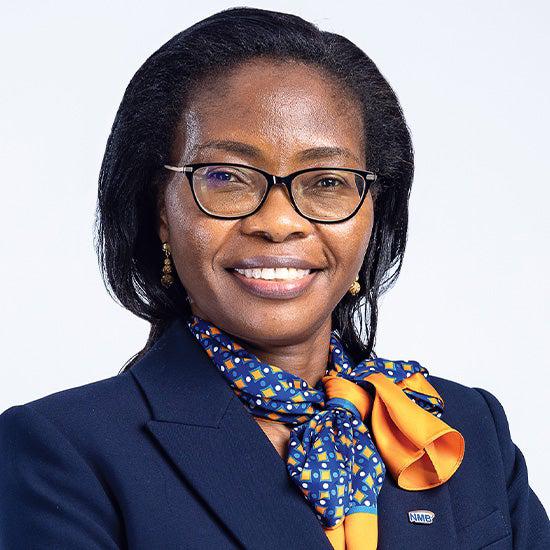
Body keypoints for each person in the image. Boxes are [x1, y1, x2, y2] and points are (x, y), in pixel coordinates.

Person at [0, 6, 548, 549]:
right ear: (161, 209)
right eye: (225, 176)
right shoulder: (64, 452)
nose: (279, 222)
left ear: (373, 211)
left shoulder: (470, 428)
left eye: (327, 182)